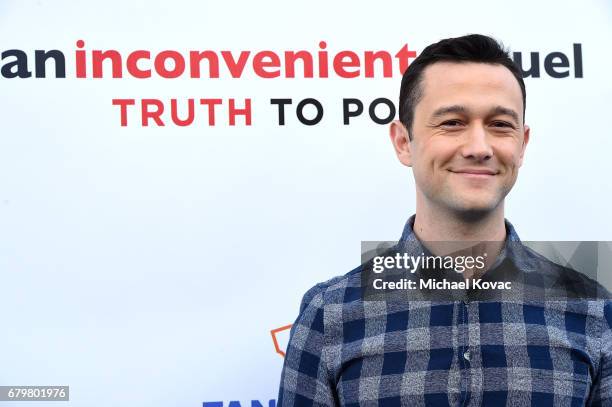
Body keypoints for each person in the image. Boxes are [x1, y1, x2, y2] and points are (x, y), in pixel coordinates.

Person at [277, 34, 612, 406]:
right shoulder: (331, 316)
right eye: (452, 122)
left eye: (500, 124)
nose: (479, 148)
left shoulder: (593, 311)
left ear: (522, 144)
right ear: (403, 142)